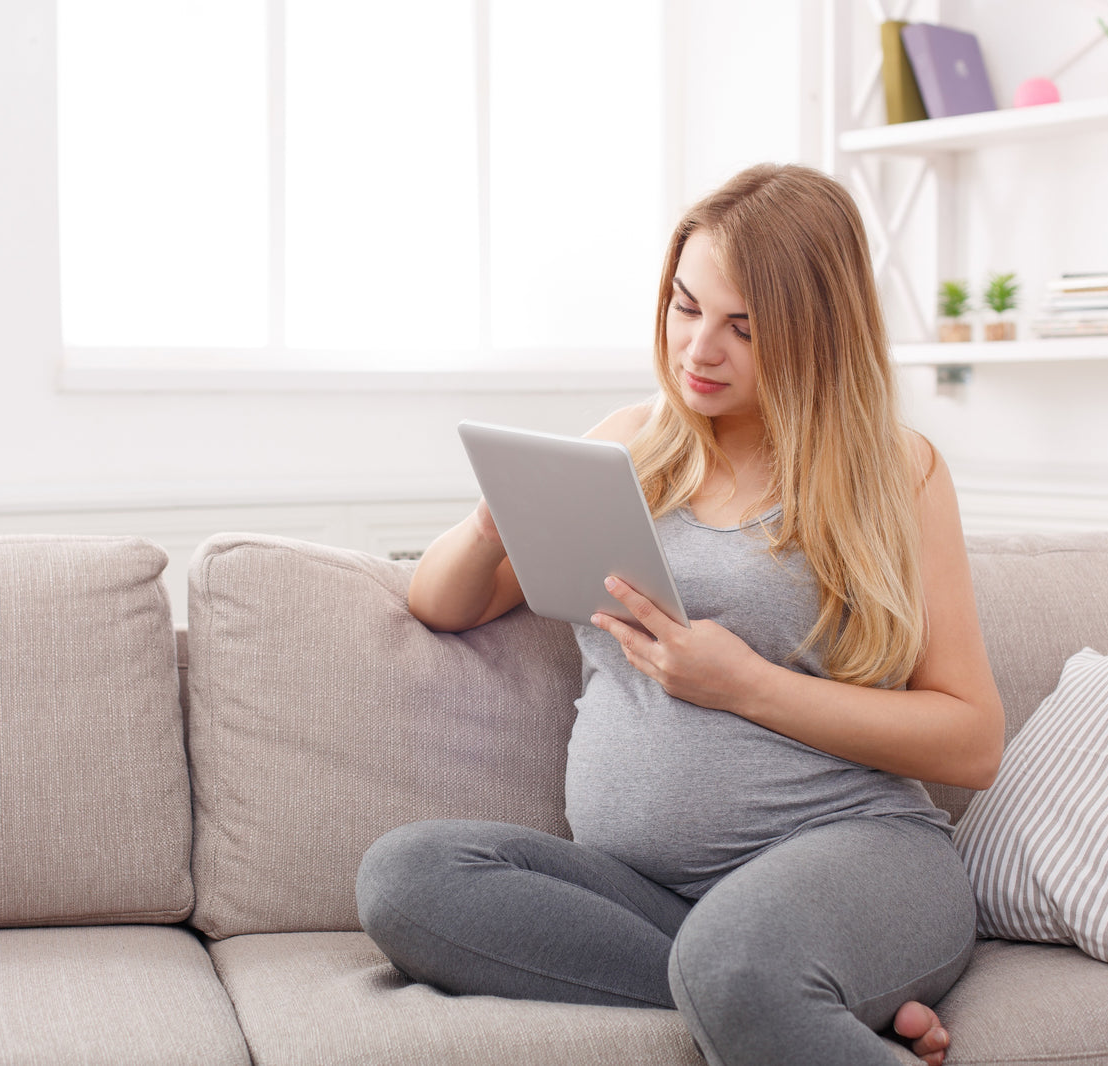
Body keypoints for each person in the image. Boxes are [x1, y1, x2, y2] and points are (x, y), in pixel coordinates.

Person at [354, 163, 1005, 1066]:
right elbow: (443, 604)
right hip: (651, 896)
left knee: (739, 962)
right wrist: (484, 526)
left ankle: (765, 989)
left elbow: (971, 741)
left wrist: (746, 685)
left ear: (817, 332)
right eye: (686, 305)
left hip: (858, 854)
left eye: (744, 327)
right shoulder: (630, 445)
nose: (700, 348)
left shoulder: (897, 472)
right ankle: (781, 1007)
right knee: (410, 876)